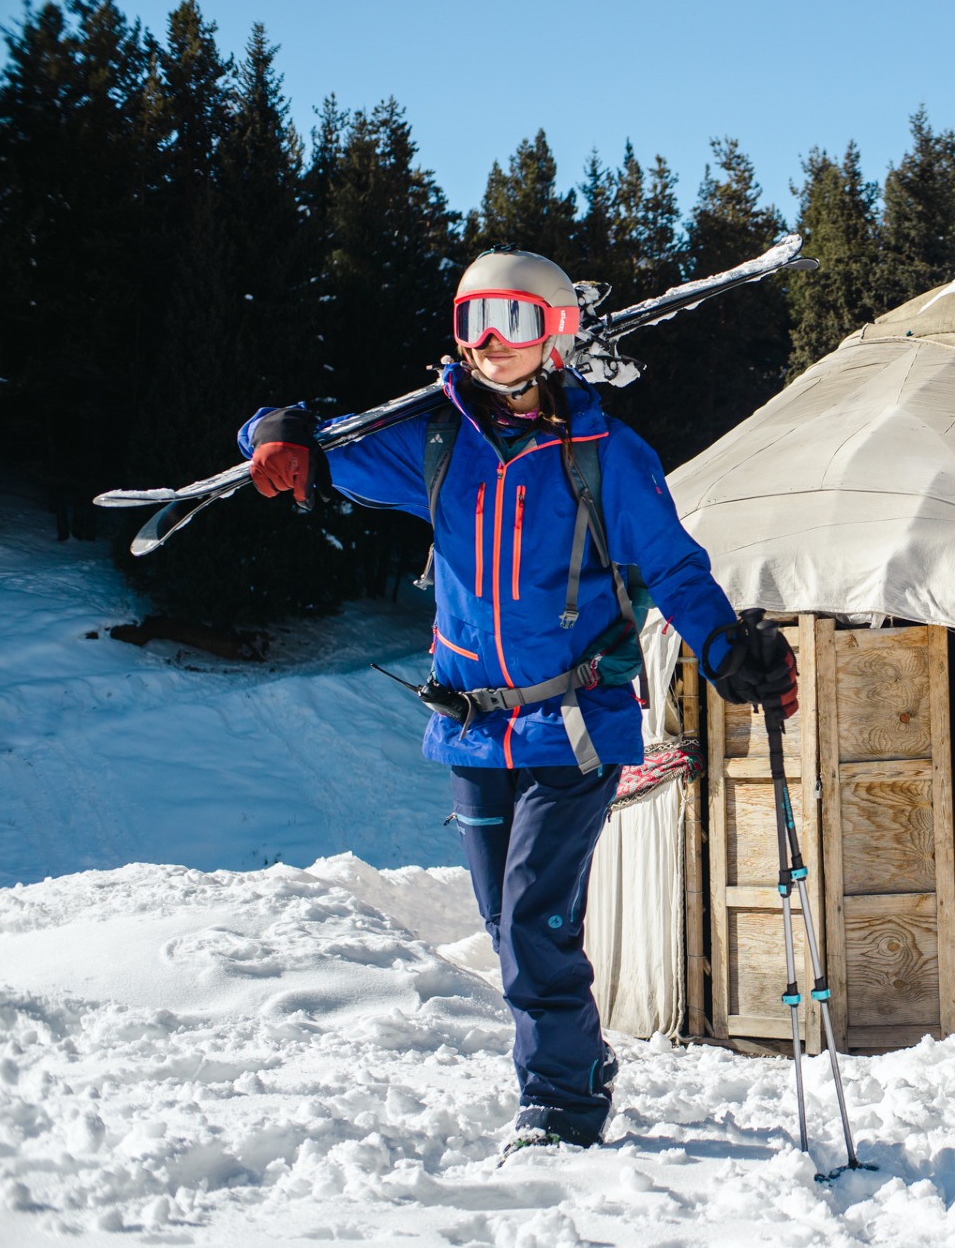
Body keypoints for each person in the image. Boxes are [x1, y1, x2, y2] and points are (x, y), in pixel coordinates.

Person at [237, 247, 794, 1154]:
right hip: (470, 730)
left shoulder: (609, 455)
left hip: (575, 724)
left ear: (559, 332)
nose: (493, 342)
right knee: (507, 927)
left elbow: (675, 568)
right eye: (473, 322)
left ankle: (562, 1107)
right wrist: (275, 429)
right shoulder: (434, 441)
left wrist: (726, 647)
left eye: (517, 320)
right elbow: (311, 445)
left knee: (533, 916)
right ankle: (582, 1058)